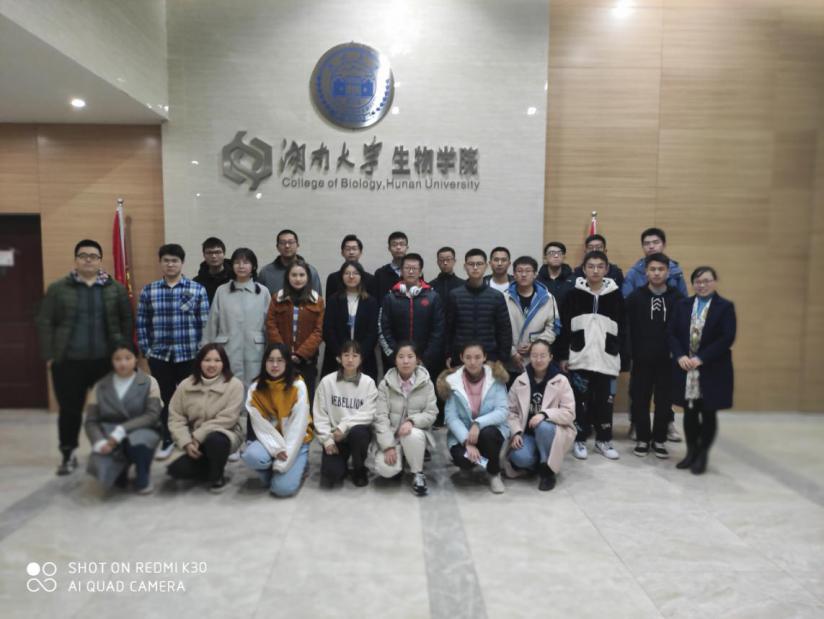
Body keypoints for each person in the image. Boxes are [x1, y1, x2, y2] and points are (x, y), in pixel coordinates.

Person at [36, 239, 133, 475]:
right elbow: (45, 322)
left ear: (100, 260)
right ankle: (68, 454)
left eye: (93, 256)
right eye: (83, 255)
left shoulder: (115, 288)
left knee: (110, 409)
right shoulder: (59, 288)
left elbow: (126, 320)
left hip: (106, 361)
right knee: (70, 410)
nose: (88, 260)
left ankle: (112, 451)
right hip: (68, 362)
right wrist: (50, 355)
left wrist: (124, 350)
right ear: (76, 260)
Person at [137, 243, 210, 461]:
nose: (170, 264)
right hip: (160, 356)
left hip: (189, 355)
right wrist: (147, 350)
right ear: (160, 262)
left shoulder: (197, 289)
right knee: (165, 399)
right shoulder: (149, 290)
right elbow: (142, 323)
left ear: (182, 263)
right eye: (166, 260)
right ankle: (168, 438)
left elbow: (205, 324)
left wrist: (202, 353)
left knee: (193, 398)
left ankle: (195, 437)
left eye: (175, 261)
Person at [557, 250, 626, 461]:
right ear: (584, 269)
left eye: (600, 266)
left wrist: (622, 355)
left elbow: (624, 329)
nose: (595, 270)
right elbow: (564, 328)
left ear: (606, 269)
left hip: (606, 358)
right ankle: (579, 439)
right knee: (580, 402)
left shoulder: (616, 295)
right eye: (591, 266)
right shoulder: (573, 295)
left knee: (605, 402)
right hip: (580, 358)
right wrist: (563, 355)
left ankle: (604, 440)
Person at [668, 266, 736, 475]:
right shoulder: (683, 305)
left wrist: (701, 358)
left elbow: (727, 337)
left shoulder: (725, 307)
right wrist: (680, 355)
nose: (702, 285)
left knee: (708, 412)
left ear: (714, 282)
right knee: (689, 412)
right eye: (698, 282)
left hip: (711, 368)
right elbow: (671, 333)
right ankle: (691, 452)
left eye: (706, 281)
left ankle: (703, 454)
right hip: (686, 367)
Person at [83, 341, 162, 493]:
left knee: (140, 443)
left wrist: (121, 430)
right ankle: (120, 470)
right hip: (108, 433)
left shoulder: (149, 382)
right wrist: (99, 442)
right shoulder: (100, 386)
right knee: (114, 481)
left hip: (141, 430)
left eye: (128, 358)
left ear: (136, 359)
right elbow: (91, 421)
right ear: (111, 361)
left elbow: (152, 415)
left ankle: (142, 473)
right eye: (117, 359)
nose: (123, 363)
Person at [166, 343, 245, 492]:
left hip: (225, 434)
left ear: (224, 363)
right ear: (199, 362)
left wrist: (198, 436)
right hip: (193, 440)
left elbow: (228, 418)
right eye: (207, 360)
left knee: (215, 441)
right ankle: (209, 465)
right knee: (176, 470)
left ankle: (218, 476)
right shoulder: (185, 385)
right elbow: (176, 418)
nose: (212, 365)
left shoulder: (234, 385)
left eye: (217, 360)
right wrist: (186, 442)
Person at [626, 253, 683, 459]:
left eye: (661, 269)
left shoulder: (678, 299)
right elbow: (628, 328)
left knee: (664, 401)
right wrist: (630, 354)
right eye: (653, 269)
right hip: (642, 359)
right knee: (640, 399)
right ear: (646, 272)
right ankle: (643, 438)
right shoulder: (635, 297)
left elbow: (681, 330)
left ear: (668, 272)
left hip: (668, 360)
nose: (657, 273)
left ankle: (659, 439)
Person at [437, 342, 510, 494]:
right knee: (462, 458)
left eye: (477, 357)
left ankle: (493, 473)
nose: (473, 362)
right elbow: (451, 417)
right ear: (461, 358)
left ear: (484, 357)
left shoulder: (496, 378)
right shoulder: (452, 382)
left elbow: (502, 411)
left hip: (489, 433)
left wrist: (478, 424)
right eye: (468, 357)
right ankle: (483, 462)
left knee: (488, 434)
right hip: (464, 436)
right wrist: (467, 441)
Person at [241, 343, 312, 497]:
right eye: (270, 360)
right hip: (269, 440)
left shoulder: (298, 385)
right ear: (264, 362)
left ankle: (299, 466)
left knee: (282, 489)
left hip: (295, 441)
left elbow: (297, 428)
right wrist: (276, 449)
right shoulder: (255, 388)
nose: (274, 365)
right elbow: (260, 426)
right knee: (251, 456)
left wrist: (284, 459)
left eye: (280, 360)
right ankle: (277, 473)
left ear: (287, 363)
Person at [504, 340, 575, 491]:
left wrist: (544, 414)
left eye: (543, 355)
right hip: (527, 434)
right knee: (519, 458)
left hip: (551, 431)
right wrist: (516, 432)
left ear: (550, 357)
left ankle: (547, 471)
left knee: (543, 426)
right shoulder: (520, 380)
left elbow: (569, 413)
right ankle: (538, 462)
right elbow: (510, 411)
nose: (538, 359)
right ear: (530, 357)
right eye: (534, 355)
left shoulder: (561, 381)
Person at [370, 342, 438, 496]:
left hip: (415, 434)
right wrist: (388, 446)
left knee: (411, 434)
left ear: (417, 360)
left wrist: (412, 421)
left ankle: (417, 473)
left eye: (410, 356)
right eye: (401, 357)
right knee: (386, 470)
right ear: (395, 360)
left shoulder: (426, 383)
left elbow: (431, 413)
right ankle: (401, 459)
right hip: (392, 435)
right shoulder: (385, 384)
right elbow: (380, 417)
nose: (405, 361)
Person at [313, 341, 378, 487]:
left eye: (355, 356)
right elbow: (320, 414)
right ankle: (342, 461)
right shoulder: (327, 382)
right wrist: (327, 440)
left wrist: (344, 426)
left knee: (359, 433)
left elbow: (370, 413)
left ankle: (359, 468)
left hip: (356, 434)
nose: (350, 359)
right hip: (335, 436)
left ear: (361, 359)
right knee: (331, 476)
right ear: (339, 358)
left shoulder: (368, 383)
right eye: (346, 355)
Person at [202, 248, 270, 387]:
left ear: (253, 266)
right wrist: (206, 351)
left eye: (246, 262)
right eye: (237, 262)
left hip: (255, 351)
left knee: (254, 388)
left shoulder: (263, 292)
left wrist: (271, 352)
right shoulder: (222, 291)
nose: (241, 266)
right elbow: (212, 323)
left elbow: (269, 325)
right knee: (227, 387)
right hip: (227, 349)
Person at [265, 261, 325, 397]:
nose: (298, 279)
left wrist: (300, 354)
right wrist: (283, 352)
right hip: (280, 359)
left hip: (306, 361)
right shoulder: (277, 298)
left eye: (302, 275)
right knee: (281, 398)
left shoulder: (317, 301)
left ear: (308, 277)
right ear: (288, 277)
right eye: (294, 275)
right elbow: (271, 325)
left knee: (305, 398)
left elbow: (319, 330)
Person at [445, 248, 512, 367]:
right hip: (461, 357)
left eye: (479, 264)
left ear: (486, 266)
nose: (475, 267)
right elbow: (448, 329)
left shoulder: (496, 296)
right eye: (471, 264)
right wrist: (448, 354)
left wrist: (502, 358)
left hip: (489, 358)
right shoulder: (454, 295)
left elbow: (504, 330)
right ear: (465, 266)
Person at [379, 253, 445, 371]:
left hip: (425, 361)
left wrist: (425, 358)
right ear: (401, 271)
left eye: (414, 268)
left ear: (420, 272)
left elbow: (438, 330)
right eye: (407, 268)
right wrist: (396, 356)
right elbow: (384, 328)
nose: (410, 271)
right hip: (396, 361)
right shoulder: (390, 297)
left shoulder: (433, 297)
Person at [427, 246, 465, 426]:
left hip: (456, 340)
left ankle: (456, 415)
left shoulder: (462, 285)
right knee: (435, 378)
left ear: (454, 261)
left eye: (448, 259)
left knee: (454, 380)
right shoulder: (430, 286)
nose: (445, 262)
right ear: (437, 262)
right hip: (435, 340)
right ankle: (438, 415)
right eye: (441, 259)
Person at [504, 256, 559, 381]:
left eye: (528, 271)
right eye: (519, 271)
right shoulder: (504, 298)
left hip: (537, 361)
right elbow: (498, 328)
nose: (523, 274)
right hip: (509, 361)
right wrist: (512, 352)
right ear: (514, 274)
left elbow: (553, 328)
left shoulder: (547, 298)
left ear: (535, 274)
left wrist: (535, 345)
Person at [322, 261, 378, 379]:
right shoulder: (333, 300)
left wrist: (360, 356)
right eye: (347, 273)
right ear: (341, 277)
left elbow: (372, 333)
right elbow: (328, 330)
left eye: (355, 273)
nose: (351, 276)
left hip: (364, 359)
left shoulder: (371, 301)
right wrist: (341, 355)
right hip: (336, 358)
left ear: (361, 276)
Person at [622, 228, 688, 298]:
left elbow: (684, 300)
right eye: (647, 243)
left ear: (664, 245)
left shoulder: (676, 271)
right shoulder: (633, 273)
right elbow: (626, 300)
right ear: (642, 247)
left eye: (656, 242)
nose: (651, 246)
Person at [258, 229, 322, 296]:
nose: (287, 246)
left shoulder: (311, 271)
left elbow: (317, 299)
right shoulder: (266, 272)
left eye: (291, 242)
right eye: (283, 243)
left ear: (297, 245)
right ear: (277, 247)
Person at [193, 237, 232, 303]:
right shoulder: (197, 283)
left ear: (224, 254)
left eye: (217, 252)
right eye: (209, 253)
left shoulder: (234, 278)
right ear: (204, 255)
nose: (214, 256)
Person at [536, 241, 575, 309]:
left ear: (564, 257)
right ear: (545, 257)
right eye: (551, 253)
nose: (556, 256)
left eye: (559, 253)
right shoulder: (537, 281)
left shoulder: (574, 280)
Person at [374, 231, 408, 303]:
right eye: (394, 244)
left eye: (402, 244)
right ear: (389, 248)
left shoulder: (414, 271)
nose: (398, 247)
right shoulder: (380, 273)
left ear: (407, 248)